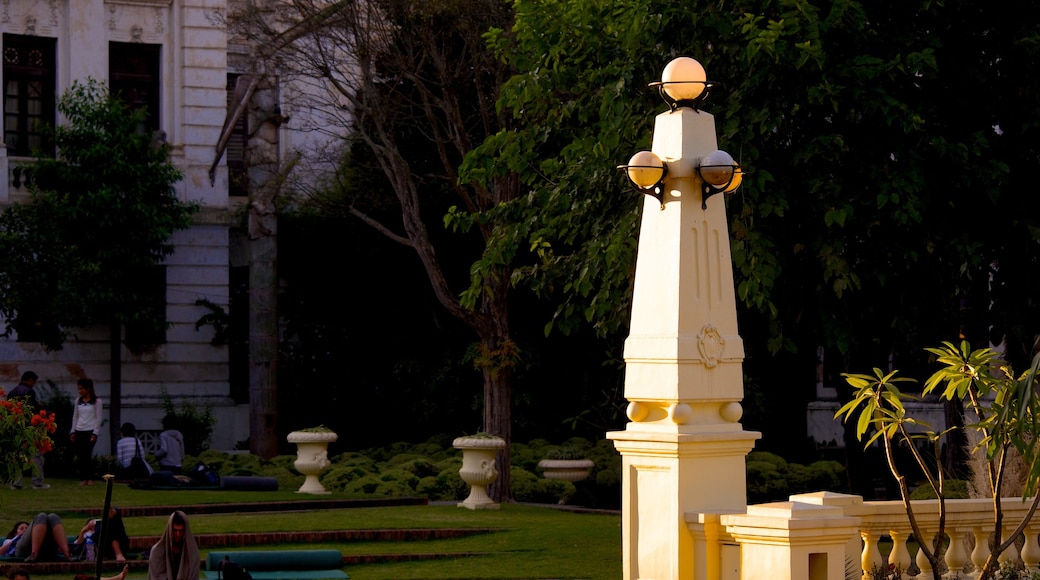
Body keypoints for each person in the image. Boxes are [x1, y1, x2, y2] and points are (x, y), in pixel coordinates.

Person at [7, 371, 49, 490]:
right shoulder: (29, 391)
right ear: (30, 380)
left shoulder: (13, 391)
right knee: (36, 455)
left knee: (17, 455)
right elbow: (33, 411)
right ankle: (38, 482)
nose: (34, 384)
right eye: (33, 381)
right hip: (29, 427)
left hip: (16, 426)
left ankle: (16, 482)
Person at [69, 378, 103, 486]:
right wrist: (73, 431)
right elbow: (75, 416)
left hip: (90, 431)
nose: (80, 391)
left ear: (88, 388)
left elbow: (98, 418)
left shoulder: (97, 401)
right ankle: (83, 478)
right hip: (79, 430)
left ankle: (90, 478)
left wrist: (95, 433)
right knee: (81, 455)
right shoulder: (77, 401)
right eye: (79, 389)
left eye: (82, 388)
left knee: (88, 455)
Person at [148, 511, 199, 580]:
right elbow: (156, 577)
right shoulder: (157, 552)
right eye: (175, 530)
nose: (178, 534)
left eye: (181, 531)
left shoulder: (192, 553)